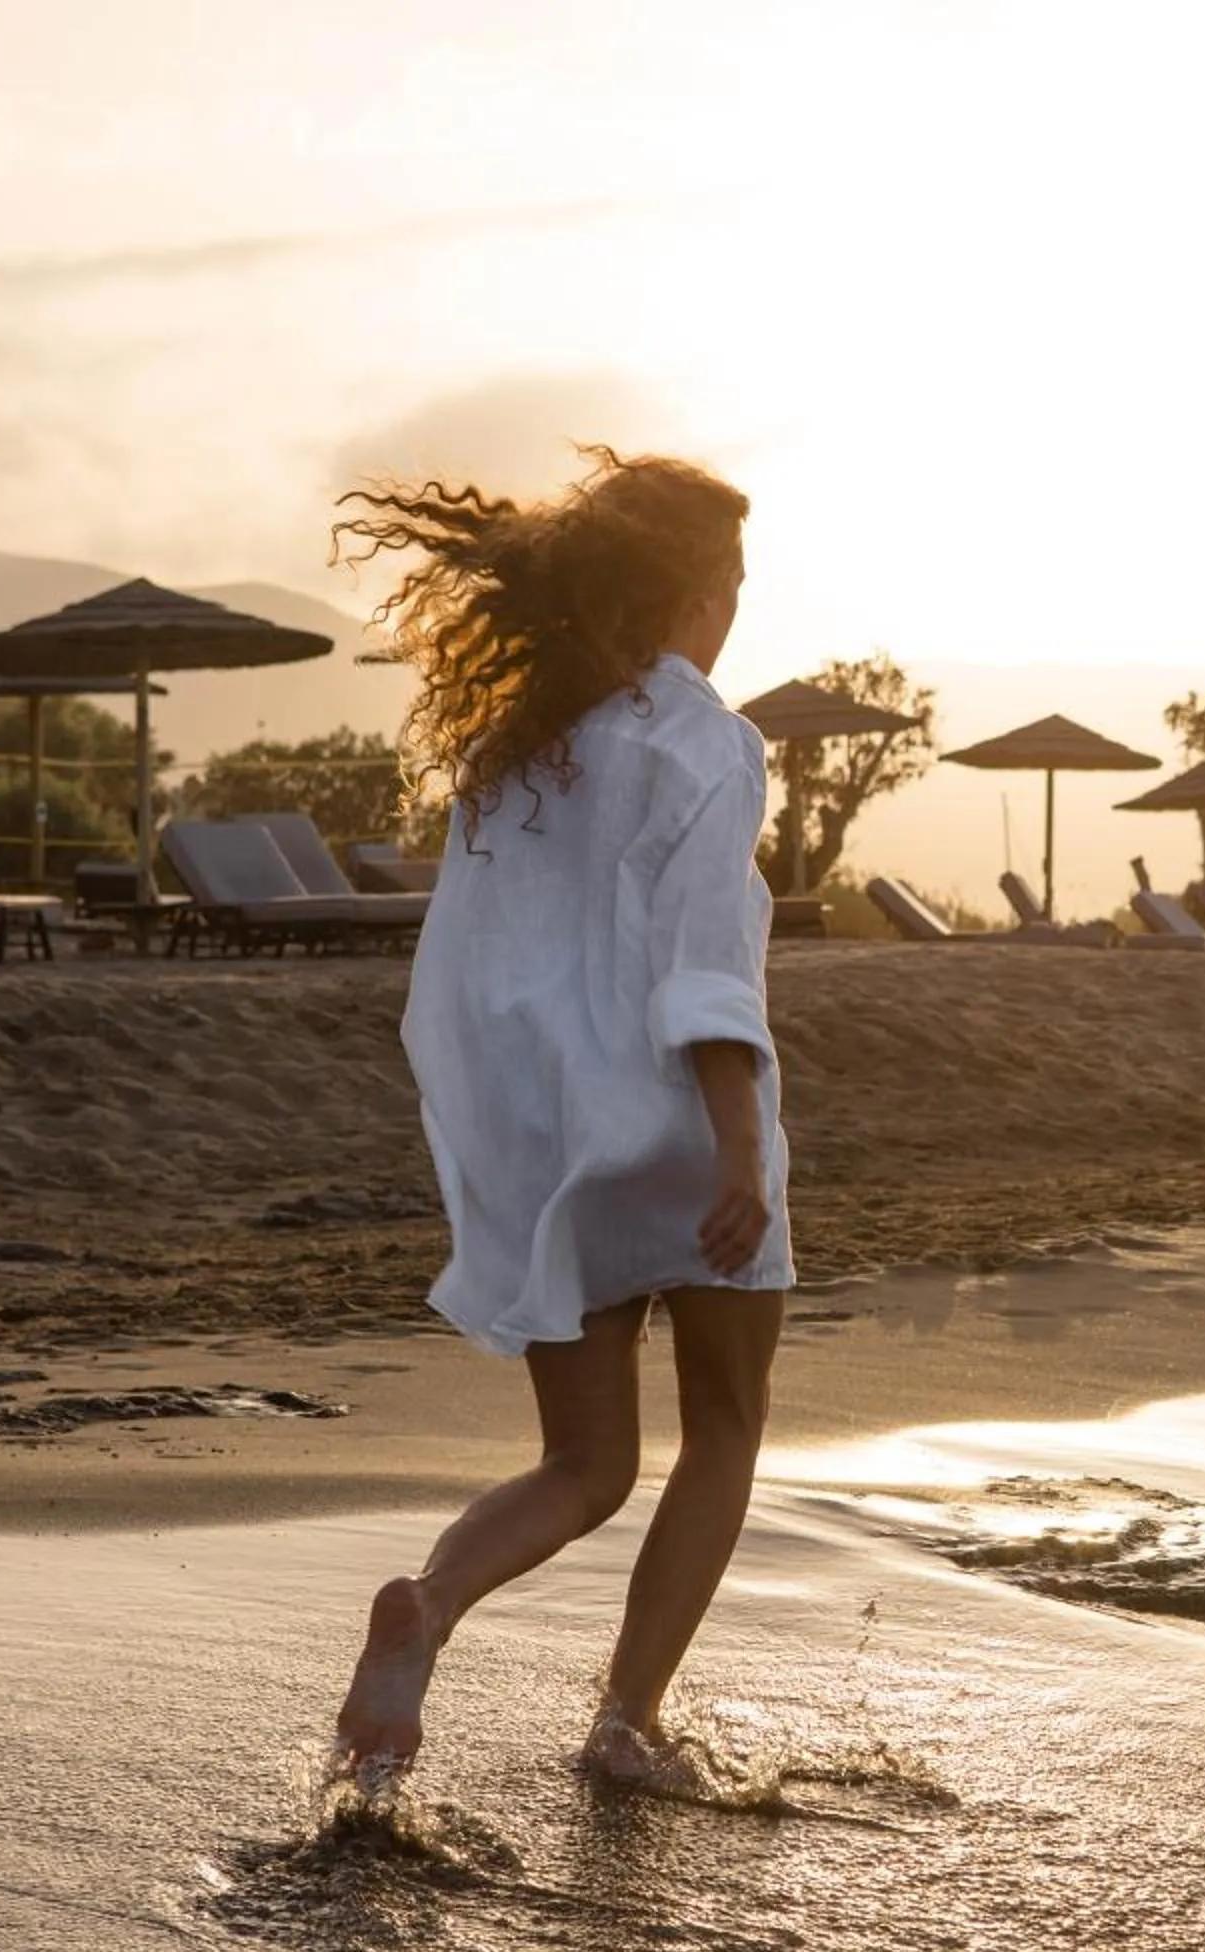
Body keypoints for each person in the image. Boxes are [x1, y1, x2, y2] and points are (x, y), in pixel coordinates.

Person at [326, 449, 790, 1787]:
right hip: (692, 1126)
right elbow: (709, 960)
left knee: (583, 1464)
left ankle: (430, 1609)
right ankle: (625, 1725)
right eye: (736, 581)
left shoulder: (524, 751)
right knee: (726, 1427)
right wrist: (743, 1144)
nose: (739, 607)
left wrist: (523, 1147)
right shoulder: (709, 739)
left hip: (556, 1143)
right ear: (691, 589)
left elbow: (473, 975)